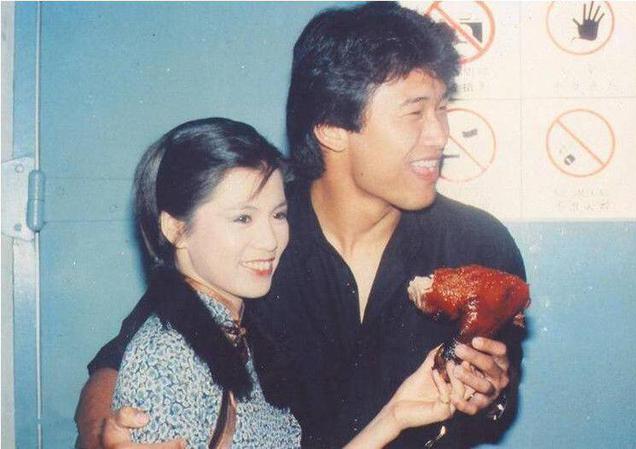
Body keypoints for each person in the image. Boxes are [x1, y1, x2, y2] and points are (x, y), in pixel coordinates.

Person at [76, 3, 527, 448]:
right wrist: (106, 436)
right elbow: (122, 364)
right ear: (331, 128)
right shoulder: (254, 240)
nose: (440, 134)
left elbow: (499, 406)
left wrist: (492, 395)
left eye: (442, 108)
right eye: (415, 112)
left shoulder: (480, 244)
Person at [82, 116, 459, 449]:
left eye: (278, 215)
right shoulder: (170, 358)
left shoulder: (230, 332)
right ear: (176, 229)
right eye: (243, 219)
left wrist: (396, 414)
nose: (270, 240)